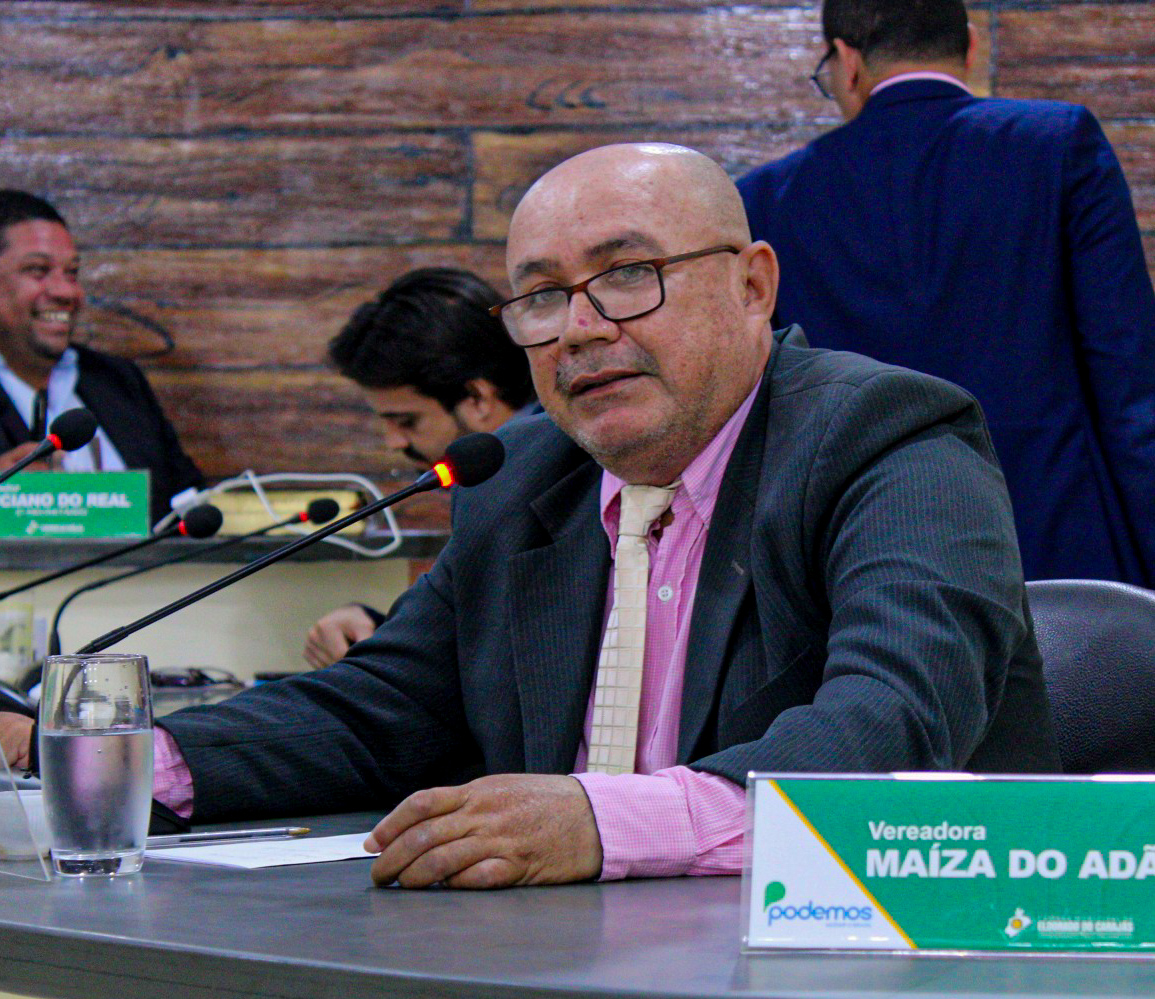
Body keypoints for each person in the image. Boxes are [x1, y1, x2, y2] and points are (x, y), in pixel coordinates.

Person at [1, 143, 1059, 890]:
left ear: (751, 285)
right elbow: (379, 708)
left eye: (629, 276)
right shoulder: (521, 475)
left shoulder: (890, 438)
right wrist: (87, 756)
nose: (580, 330)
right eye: (542, 298)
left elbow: (892, 727)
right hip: (564, 958)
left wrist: (598, 818)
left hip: (865, 953)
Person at [738, 0, 1155, 588]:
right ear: (971, 46)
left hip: (864, 556)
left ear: (847, 62)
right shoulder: (1057, 145)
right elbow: (1128, 373)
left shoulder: (767, 198)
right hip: (1059, 543)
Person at [304, 267, 538, 667]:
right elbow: (473, 636)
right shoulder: (495, 480)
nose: (394, 442)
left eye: (407, 421)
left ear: (477, 397)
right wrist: (373, 626)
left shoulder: (555, 482)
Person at [0, 190, 203, 521]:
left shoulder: (118, 380)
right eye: (38, 270)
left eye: (72, 273)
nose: (66, 291)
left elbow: (188, 502)